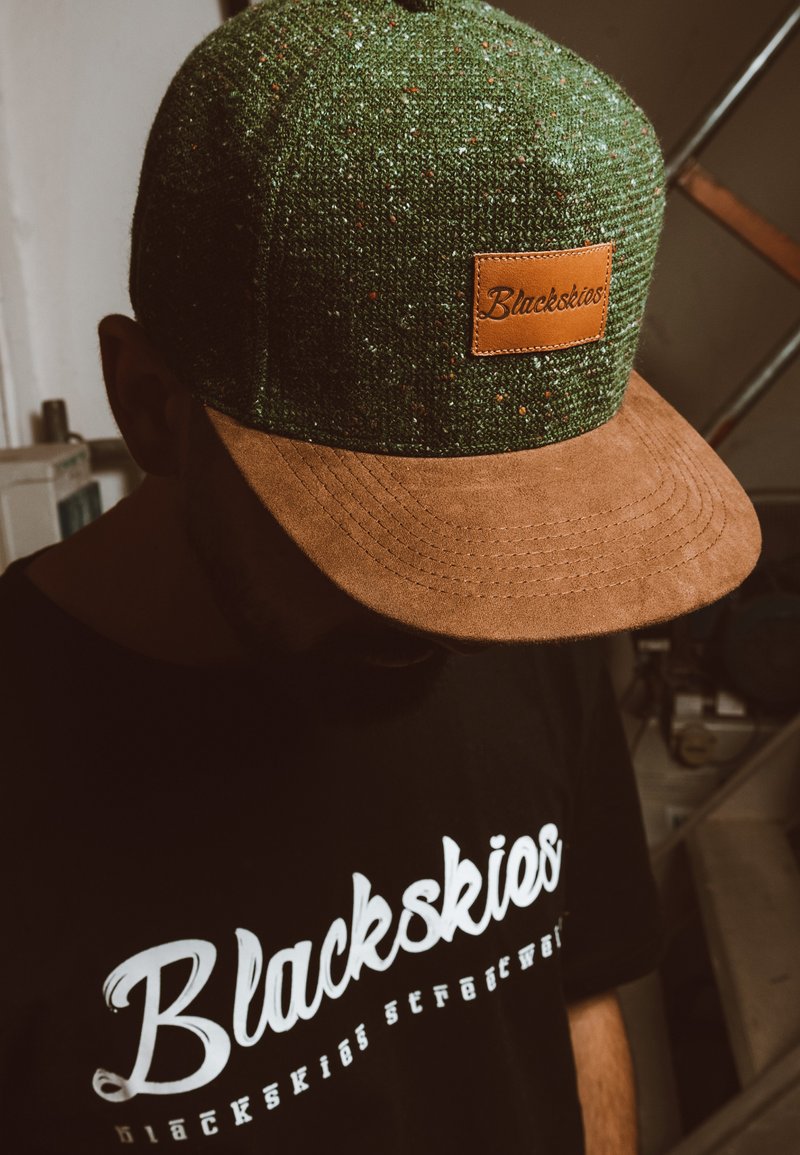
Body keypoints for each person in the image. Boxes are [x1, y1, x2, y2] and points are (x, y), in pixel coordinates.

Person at [0, 1, 760, 1152]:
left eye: (520, 510)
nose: (464, 602)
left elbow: (574, 995)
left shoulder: (523, 599)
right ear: (150, 407)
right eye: (382, 536)